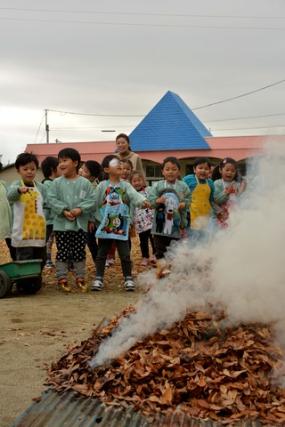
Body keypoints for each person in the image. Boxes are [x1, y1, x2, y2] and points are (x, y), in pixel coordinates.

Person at [91, 155, 149, 292]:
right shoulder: (102, 186)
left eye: (121, 165)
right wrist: (93, 219)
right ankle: (98, 278)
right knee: (102, 252)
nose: (120, 167)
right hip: (105, 224)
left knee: (125, 253)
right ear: (106, 169)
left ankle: (128, 278)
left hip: (122, 224)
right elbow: (95, 203)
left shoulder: (126, 185)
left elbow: (134, 195)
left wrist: (142, 201)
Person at [48, 148, 96, 292]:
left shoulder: (85, 183)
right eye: (60, 161)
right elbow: (51, 199)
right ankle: (62, 277)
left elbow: (92, 200)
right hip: (61, 225)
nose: (61, 164)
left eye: (65, 160)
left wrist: (80, 209)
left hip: (80, 224)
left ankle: (80, 276)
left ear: (75, 163)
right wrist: (63, 210)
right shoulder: (56, 183)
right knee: (62, 251)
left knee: (79, 251)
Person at [148, 157, 191, 261]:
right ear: (162, 171)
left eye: (174, 169)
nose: (170, 172)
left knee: (175, 251)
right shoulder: (157, 185)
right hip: (160, 225)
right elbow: (151, 201)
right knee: (160, 251)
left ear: (179, 172)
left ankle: (174, 273)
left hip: (176, 225)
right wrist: (158, 200)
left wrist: (183, 204)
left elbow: (189, 199)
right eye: (167, 169)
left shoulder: (183, 186)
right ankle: (162, 271)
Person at [7, 153, 46, 264]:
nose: (29, 171)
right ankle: (25, 281)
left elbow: (46, 204)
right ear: (18, 170)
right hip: (22, 232)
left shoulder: (40, 187)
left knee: (40, 259)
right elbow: (10, 196)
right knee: (25, 259)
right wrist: (19, 190)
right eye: (25, 169)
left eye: (32, 169)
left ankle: (37, 279)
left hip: (38, 231)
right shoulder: (15, 185)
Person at [183, 157, 215, 241]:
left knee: (203, 241)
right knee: (191, 240)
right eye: (200, 168)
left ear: (209, 171)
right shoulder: (188, 179)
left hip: (205, 216)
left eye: (206, 169)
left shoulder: (211, 183)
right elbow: (181, 192)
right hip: (191, 216)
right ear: (194, 169)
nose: (203, 171)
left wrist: (217, 212)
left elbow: (211, 200)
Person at [79, 160, 103, 263]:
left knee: (91, 241)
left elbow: (93, 205)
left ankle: (98, 261)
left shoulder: (93, 187)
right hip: (83, 218)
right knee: (87, 241)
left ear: (92, 177)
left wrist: (91, 220)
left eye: (85, 171)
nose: (81, 171)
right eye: (82, 168)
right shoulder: (83, 184)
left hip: (90, 219)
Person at [130, 171, 155, 266]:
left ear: (143, 181)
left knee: (153, 239)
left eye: (139, 180)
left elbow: (153, 200)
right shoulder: (131, 194)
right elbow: (131, 209)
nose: (137, 183)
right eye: (134, 181)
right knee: (143, 240)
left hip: (151, 220)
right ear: (131, 183)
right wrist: (131, 221)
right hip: (140, 222)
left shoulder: (149, 190)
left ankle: (155, 255)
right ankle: (145, 256)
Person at [214, 158, 246, 228]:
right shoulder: (217, 183)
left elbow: (239, 199)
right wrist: (226, 193)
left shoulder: (237, 184)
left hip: (235, 216)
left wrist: (242, 189)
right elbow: (216, 200)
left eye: (233, 171)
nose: (229, 172)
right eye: (227, 170)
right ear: (220, 170)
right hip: (222, 217)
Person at [41, 156, 60, 268]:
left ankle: (60, 260)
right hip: (49, 219)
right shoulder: (47, 183)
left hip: (56, 218)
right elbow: (48, 201)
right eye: (59, 166)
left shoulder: (55, 182)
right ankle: (47, 260)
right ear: (53, 169)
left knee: (58, 240)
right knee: (48, 240)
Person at [0, 178, 14, 259]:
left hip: (7, 222)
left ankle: (14, 264)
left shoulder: (3, 184)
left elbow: (11, 199)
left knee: (11, 245)